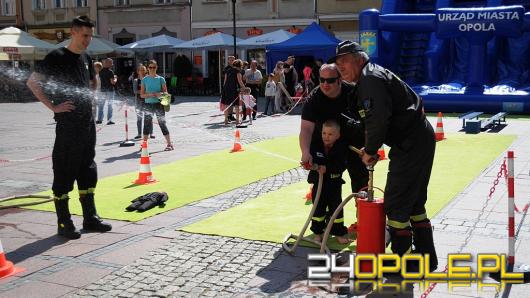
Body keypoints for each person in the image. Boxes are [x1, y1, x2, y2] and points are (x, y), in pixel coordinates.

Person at [331, 40, 438, 270]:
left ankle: (405, 267)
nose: (340, 67)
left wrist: (370, 151)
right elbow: (373, 120)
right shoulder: (369, 77)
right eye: (338, 63)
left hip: (411, 142)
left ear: (360, 59)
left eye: (345, 61)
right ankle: (426, 259)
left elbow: (377, 119)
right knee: (415, 203)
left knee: (397, 205)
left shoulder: (370, 80)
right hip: (415, 139)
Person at [26, 16, 112, 239]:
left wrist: (92, 98)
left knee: (88, 169)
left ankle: (90, 218)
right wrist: (53, 107)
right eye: (85, 35)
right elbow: (33, 82)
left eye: (90, 36)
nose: (88, 40)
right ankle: (64, 222)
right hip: (68, 126)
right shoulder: (57, 57)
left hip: (86, 124)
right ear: (72, 32)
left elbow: (95, 81)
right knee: (65, 169)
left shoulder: (86, 56)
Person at [300, 63, 368, 195]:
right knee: (327, 186)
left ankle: (362, 210)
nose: (325, 84)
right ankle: (328, 213)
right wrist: (305, 151)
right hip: (327, 145)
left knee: (361, 184)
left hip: (354, 143)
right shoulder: (314, 98)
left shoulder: (355, 92)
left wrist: (371, 147)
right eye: (322, 80)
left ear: (340, 79)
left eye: (330, 80)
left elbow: (370, 122)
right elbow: (306, 128)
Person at [306, 120, 351, 244]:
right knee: (318, 210)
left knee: (336, 209)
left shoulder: (341, 148)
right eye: (324, 133)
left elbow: (342, 165)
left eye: (330, 134)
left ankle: (338, 233)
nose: (326, 136)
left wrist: (328, 168)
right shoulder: (316, 145)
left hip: (334, 184)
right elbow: (311, 158)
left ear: (338, 135)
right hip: (318, 183)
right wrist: (309, 163)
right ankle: (318, 232)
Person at [140, 60, 174, 151]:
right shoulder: (144, 79)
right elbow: (141, 95)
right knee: (146, 124)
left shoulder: (161, 79)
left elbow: (166, 93)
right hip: (148, 104)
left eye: (154, 67)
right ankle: (144, 144)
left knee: (162, 123)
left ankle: (169, 144)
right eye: (150, 67)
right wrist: (150, 95)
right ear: (148, 68)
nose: (152, 69)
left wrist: (160, 94)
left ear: (156, 68)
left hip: (159, 104)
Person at [221, 59, 245, 125]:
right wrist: (244, 88)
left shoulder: (227, 71)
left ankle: (225, 119)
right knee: (236, 105)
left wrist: (224, 90)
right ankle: (237, 120)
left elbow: (225, 81)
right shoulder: (238, 72)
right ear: (240, 66)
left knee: (226, 104)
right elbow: (240, 81)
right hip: (234, 89)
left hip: (226, 89)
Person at [132, 64, 154, 140]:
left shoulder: (149, 79)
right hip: (138, 101)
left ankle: (151, 133)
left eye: (143, 70)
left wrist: (144, 92)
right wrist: (144, 92)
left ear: (146, 71)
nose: (142, 71)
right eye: (140, 70)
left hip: (148, 101)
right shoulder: (136, 80)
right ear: (138, 71)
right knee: (139, 118)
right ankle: (139, 134)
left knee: (149, 118)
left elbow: (151, 89)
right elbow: (135, 91)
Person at [96, 58, 117, 125]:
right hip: (110, 90)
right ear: (108, 63)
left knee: (101, 105)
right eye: (111, 63)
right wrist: (116, 79)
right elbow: (112, 82)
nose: (112, 64)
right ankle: (109, 120)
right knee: (110, 106)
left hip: (102, 90)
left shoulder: (100, 71)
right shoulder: (110, 72)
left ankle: (99, 119)